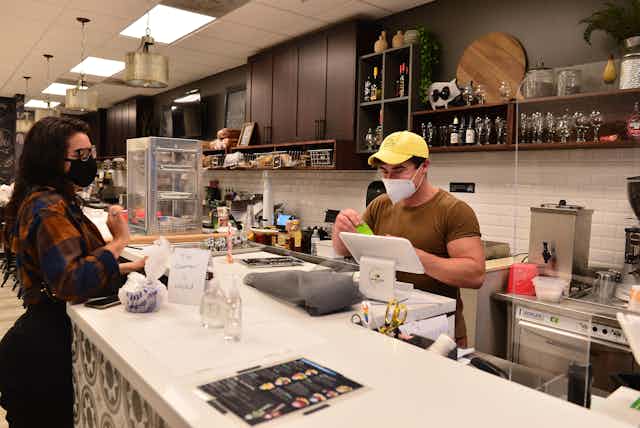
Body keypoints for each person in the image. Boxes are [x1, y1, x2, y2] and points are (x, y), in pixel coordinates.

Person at [0, 116, 145, 427]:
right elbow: (71, 281)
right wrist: (119, 242)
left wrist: (131, 266)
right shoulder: (48, 207)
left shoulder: (56, 199)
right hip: (39, 360)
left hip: (41, 348)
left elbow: (78, 259)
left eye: (90, 153)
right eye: (80, 155)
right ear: (51, 160)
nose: (88, 161)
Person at [332, 131, 485, 346]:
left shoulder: (454, 210)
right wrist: (340, 230)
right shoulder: (380, 205)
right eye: (384, 171)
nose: (389, 179)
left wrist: (415, 257)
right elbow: (344, 250)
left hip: (438, 330)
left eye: (399, 170)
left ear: (424, 167)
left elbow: (475, 274)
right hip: (389, 323)